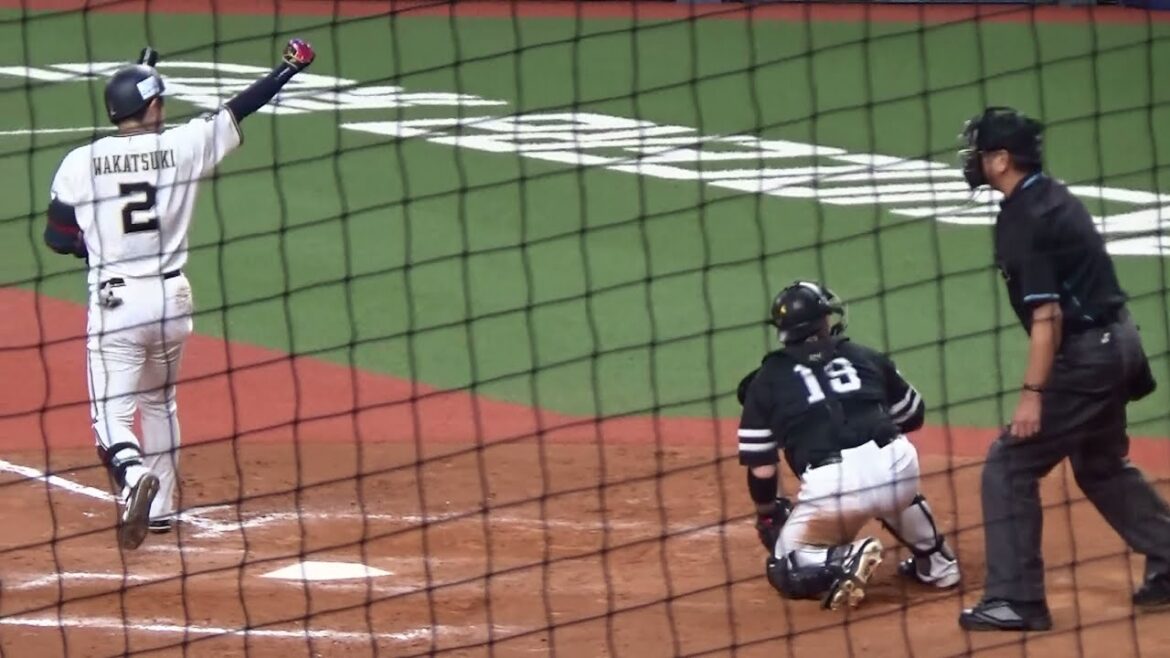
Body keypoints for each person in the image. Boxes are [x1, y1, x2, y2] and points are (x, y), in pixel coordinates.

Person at [43, 39, 316, 549]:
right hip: (173, 301)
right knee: (159, 402)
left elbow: (57, 238)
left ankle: (132, 479)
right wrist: (288, 68)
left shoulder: (81, 162)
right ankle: (162, 508)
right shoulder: (185, 146)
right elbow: (238, 108)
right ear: (150, 107)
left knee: (111, 418)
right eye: (159, 101)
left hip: (117, 304)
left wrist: (93, 244)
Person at [956, 106, 1170, 631]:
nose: (972, 160)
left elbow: (1047, 316)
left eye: (980, 152)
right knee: (1099, 463)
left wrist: (1033, 394)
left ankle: (1016, 601)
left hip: (1088, 356)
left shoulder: (1024, 220)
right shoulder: (1052, 195)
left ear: (1001, 160)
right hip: (1119, 341)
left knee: (1009, 465)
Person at [736, 281, 960, 611]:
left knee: (784, 566)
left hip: (834, 489)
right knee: (891, 486)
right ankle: (939, 564)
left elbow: (762, 468)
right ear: (824, 320)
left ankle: (845, 557)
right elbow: (913, 415)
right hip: (897, 464)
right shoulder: (864, 355)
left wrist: (768, 514)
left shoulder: (764, 381)